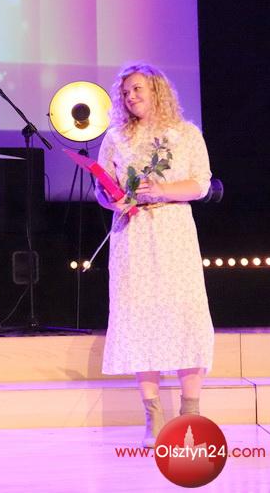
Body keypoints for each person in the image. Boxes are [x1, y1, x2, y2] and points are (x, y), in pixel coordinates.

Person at [94, 63, 214, 448]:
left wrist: (160, 191)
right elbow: (102, 187)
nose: (130, 97)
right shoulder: (116, 136)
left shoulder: (185, 133)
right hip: (133, 235)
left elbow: (200, 183)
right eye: (125, 92)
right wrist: (113, 201)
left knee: (185, 315)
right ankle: (154, 417)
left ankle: (190, 415)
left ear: (157, 90)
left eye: (137, 89)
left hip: (173, 230)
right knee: (139, 318)